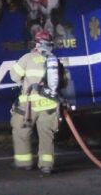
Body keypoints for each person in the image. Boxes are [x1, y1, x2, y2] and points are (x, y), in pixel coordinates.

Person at [9, 29, 65, 174]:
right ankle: (46, 165)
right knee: (47, 134)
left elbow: (14, 76)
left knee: (22, 131)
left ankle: (24, 162)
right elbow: (63, 81)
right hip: (50, 105)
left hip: (29, 106)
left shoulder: (27, 58)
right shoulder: (54, 60)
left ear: (36, 43)